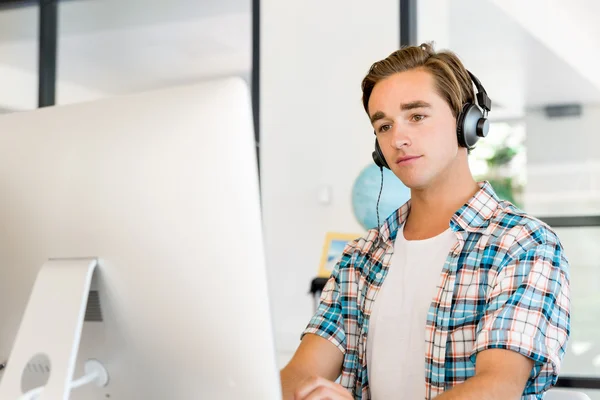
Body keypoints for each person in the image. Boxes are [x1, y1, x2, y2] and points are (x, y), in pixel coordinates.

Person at [279, 43, 571, 400]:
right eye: (384, 125)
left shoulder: (523, 244)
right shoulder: (360, 258)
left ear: (468, 123)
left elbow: (496, 388)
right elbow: (297, 376)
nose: (398, 139)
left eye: (416, 116)